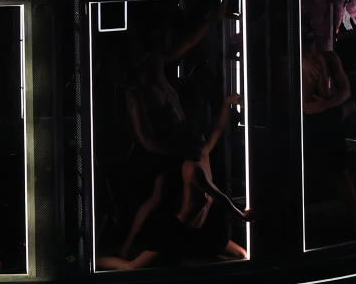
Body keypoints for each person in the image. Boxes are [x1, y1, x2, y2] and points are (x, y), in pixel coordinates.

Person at [100, 92, 251, 270]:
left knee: (243, 256)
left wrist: (227, 103)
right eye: (197, 140)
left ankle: (195, 260)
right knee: (132, 267)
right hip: (178, 231)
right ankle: (92, 263)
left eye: (202, 138)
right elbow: (217, 195)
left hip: (201, 232)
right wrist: (241, 215)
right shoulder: (191, 167)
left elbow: (218, 129)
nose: (203, 141)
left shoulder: (203, 153)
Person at [302, 27, 356, 237]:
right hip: (310, 123)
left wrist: (328, 103)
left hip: (324, 116)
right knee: (338, 173)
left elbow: (346, 91)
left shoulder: (329, 58)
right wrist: (329, 104)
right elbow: (306, 107)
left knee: (339, 171)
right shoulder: (300, 64)